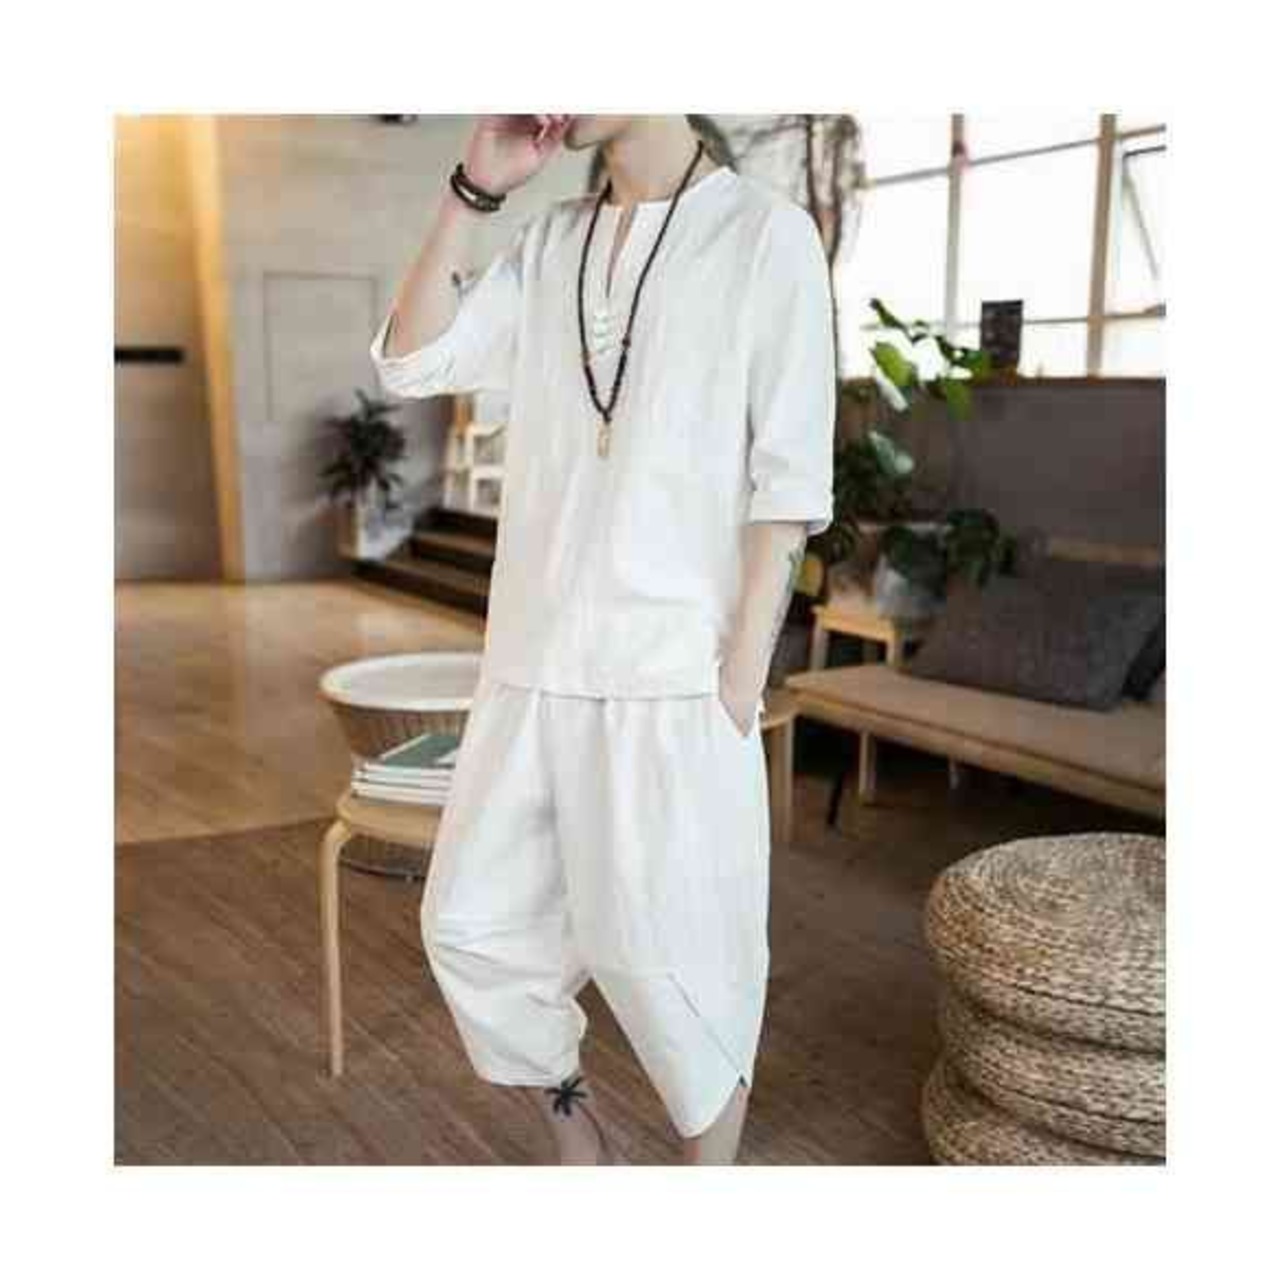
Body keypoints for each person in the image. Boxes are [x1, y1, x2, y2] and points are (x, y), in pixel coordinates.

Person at [371, 114, 834, 1164]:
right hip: (530, 664)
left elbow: (789, 479)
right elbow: (412, 360)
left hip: (672, 676)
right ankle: (580, 1138)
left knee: (676, 967)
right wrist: (473, 191)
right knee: (471, 927)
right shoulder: (550, 241)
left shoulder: (766, 235)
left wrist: (736, 682)